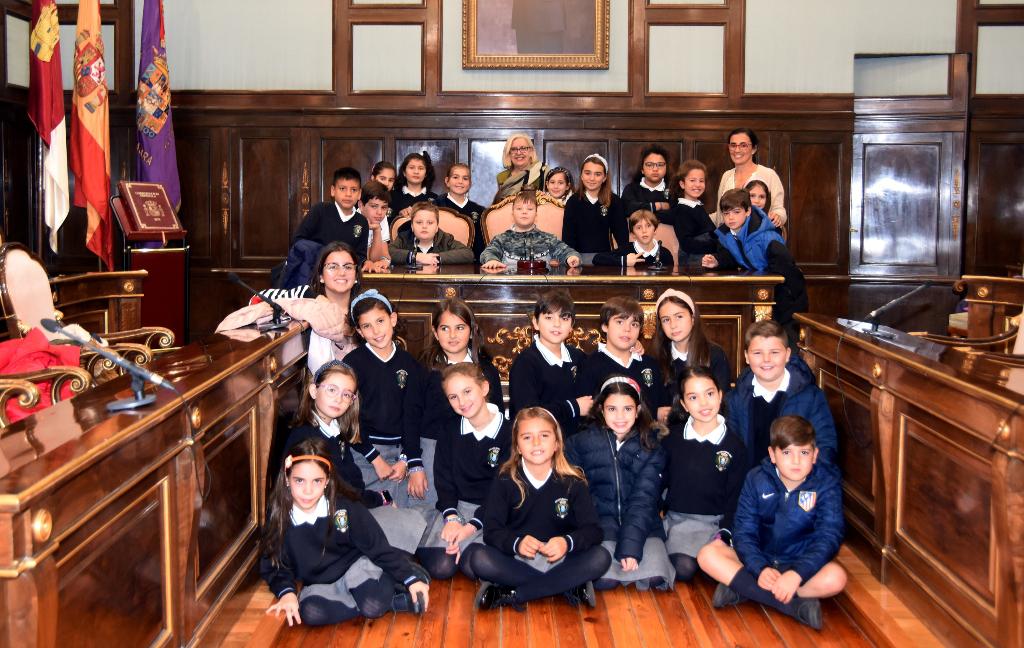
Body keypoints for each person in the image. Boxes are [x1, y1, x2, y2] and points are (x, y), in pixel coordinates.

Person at [259, 438, 430, 627]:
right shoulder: (279, 516)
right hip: (321, 583)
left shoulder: (345, 507)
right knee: (310, 613)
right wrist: (286, 592)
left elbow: (376, 545)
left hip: (355, 568)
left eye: (317, 481)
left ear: (327, 481)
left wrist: (409, 577)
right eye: (299, 480)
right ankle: (392, 601)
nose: (308, 490)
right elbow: (273, 565)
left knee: (373, 606)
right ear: (287, 479)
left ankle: (396, 577)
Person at [697, 415, 847, 630]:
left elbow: (829, 536)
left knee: (836, 578)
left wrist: (797, 573)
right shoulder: (756, 479)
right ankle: (795, 606)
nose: (796, 461)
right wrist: (760, 568)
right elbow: (744, 532)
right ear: (772, 454)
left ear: (815, 455)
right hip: (758, 559)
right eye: (787, 453)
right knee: (707, 555)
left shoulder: (826, 483)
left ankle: (743, 589)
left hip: (798, 561)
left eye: (804, 453)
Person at [463, 407, 611, 610]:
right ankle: (568, 586)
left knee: (601, 557)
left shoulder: (574, 481)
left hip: (562, 559)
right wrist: (516, 543)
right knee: (479, 559)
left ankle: (513, 593)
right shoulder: (505, 479)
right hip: (518, 560)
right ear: (517, 446)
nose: (536, 443)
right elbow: (492, 530)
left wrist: (566, 542)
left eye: (544, 435)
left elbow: (594, 531)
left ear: (557, 443)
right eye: (527, 437)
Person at [283, 361, 430, 548]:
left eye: (346, 394)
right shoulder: (308, 440)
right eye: (332, 390)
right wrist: (379, 499)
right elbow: (336, 492)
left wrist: (372, 499)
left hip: (348, 505)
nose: (338, 399)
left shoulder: (335, 430)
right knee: (403, 525)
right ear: (313, 390)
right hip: (323, 523)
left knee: (411, 520)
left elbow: (352, 480)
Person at [565, 377, 673, 590]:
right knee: (605, 580)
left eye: (627, 409)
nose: (620, 417)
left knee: (656, 578)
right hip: (601, 525)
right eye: (612, 409)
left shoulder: (651, 446)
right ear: (601, 410)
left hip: (644, 526)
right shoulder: (579, 443)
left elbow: (644, 500)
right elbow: (578, 496)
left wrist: (631, 548)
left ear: (638, 410)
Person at [416, 363, 512, 580]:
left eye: (467, 391)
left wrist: (470, 528)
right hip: (457, 508)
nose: (462, 402)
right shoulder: (449, 429)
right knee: (441, 567)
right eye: (453, 397)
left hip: (494, 512)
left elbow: (503, 490)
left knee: (473, 566)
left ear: (484, 388)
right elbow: (444, 480)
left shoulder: (509, 432)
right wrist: (451, 518)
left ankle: (471, 548)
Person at [661, 367, 747, 582]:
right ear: (684, 404)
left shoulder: (734, 445)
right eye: (693, 397)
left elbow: (736, 497)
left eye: (709, 394)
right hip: (680, 521)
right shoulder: (672, 439)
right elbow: (658, 484)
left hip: (715, 523)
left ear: (720, 395)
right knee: (684, 568)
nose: (704, 403)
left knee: (713, 571)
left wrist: (726, 532)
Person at [345, 290, 428, 509]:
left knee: (406, 507)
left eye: (380, 321)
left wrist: (406, 458)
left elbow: (412, 415)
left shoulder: (409, 364)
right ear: (359, 331)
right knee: (371, 509)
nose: (376, 331)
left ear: (393, 319)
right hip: (363, 451)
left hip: (400, 451)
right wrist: (375, 458)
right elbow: (349, 418)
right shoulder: (352, 364)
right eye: (367, 326)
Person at [418, 298, 505, 507]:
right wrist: (413, 463)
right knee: (435, 505)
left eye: (460, 327)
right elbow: (412, 415)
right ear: (435, 332)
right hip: (433, 446)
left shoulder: (486, 370)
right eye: (445, 328)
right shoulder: (424, 368)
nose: (453, 335)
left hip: (477, 445)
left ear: (472, 330)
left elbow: (498, 414)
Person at [725, 320, 838, 471]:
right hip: (751, 481)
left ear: (787, 354)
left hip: (797, 479)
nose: (766, 359)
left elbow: (825, 447)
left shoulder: (812, 397)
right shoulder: (735, 399)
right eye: (757, 353)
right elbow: (731, 448)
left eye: (774, 352)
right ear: (746, 356)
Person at [702, 188, 808, 336]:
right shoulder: (726, 234)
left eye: (736, 212)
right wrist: (717, 261)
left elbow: (787, 269)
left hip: (786, 293)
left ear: (748, 211)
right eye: (726, 213)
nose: (731, 218)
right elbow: (730, 257)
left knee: (785, 338)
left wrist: (794, 306)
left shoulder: (768, 237)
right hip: (759, 291)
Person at [509, 290, 590, 437]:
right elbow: (528, 414)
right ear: (535, 323)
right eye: (549, 317)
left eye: (564, 318)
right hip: (540, 441)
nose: (557, 324)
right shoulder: (526, 363)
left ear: (572, 325)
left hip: (576, 440)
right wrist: (573, 407)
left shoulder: (578, 357)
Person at [576, 295, 669, 421]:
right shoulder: (589, 365)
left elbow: (661, 409)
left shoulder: (650, 365)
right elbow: (585, 417)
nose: (627, 329)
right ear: (605, 326)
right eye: (620, 322)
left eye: (634, 324)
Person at [653, 289, 731, 413]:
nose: (673, 325)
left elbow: (722, 402)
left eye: (679, 316)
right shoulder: (656, 357)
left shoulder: (714, 354)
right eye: (666, 320)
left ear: (692, 318)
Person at [479, 189, 580, 271]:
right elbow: (488, 253)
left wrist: (571, 257)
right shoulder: (501, 239)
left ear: (536, 214)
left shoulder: (548, 238)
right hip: (511, 285)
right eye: (519, 209)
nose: (524, 212)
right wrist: (491, 260)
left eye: (530, 209)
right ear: (512, 213)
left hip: (541, 286)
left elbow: (566, 251)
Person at [292, 167, 370, 264]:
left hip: (345, 271)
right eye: (342, 189)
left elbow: (360, 256)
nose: (348, 194)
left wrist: (365, 262)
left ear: (359, 194)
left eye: (354, 190)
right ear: (333, 191)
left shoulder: (362, 222)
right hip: (315, 268)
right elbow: (298, 241)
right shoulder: (320, 211)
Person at [714, 128, 786, 227]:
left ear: (754, 149)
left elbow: (779, 209)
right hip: (728, 235)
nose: (737, 150)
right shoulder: (726, 176)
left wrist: (778, 216)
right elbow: (720, 213)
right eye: (733, 145)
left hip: (757, 234)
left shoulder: (769, 174)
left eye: (743, 145)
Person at [562, 154, 628, 261]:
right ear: (581, 175)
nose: (592, 178)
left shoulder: (614, 201)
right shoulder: (573, 202)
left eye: (598, 174)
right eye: (587, 173)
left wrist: (623, 260)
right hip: (578, 259)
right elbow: (568, 238)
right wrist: (570, 258)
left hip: (606, 259)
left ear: (604, 178)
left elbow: (622, 237)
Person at [387, 202, 474, 266]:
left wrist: (436, 258)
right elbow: (389, 252)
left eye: (430, 223)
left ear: (436, 227)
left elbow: (468, 254)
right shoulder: (404, 237)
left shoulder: (445, 238)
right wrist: (416, 257)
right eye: (419, 222)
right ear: (412, 227)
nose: (424, 226)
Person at [668, 160, 718, 266]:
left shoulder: (697, 206)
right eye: (692, 180)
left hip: (705, 256)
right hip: (692, 261)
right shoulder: (682, 210)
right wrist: (714, 245)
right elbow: (687, 244)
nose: (697, 184)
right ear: (682, 184)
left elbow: (710, 231)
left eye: (701, 181)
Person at [592, 209, 674, 268]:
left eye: (648, 226)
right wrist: (624, 261)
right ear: (633, 234)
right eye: (639, 227)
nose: (644, 231)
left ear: (655, 230)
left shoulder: (665, 254)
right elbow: (597, 258)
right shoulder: (626, 250)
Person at [436, 163, 487, 257]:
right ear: (447, 181)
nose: (460, 181)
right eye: (455, 177)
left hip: (472, 260)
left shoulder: (479, 210)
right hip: (441, 259)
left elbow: (481, 243)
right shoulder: (435, 206)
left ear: (470, 183)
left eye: (465, 178)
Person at [621, 145, 673, 224]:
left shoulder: (674, 190)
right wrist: (659, 206)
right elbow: (627, 209)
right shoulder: (631, 189)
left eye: (660, 165)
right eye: (649, 165)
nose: (655, 169)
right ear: (642, 169)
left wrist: (641, 211)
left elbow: (675, 215)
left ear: (666, 168)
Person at [493, 134, 546, 204]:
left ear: (531, 151)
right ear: (509, 153)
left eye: (523, 148)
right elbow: (499, 204)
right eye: (513, 149)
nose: (518, 153)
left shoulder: (543, 172)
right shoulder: (502, 177)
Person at [360, 180, 394, 273]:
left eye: (384, 207)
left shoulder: (382, 219)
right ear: (361, 205)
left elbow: (381, 257)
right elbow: (365, 258)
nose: (379, 212)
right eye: (374, 206)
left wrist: (377, 230)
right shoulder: (355, 220)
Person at [391, 152, 438, 218]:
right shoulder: (392, 196)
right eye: (411, 167)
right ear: (404, 172)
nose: (416, 172)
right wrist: (399, 216)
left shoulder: (435, 198)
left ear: (426, 174)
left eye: (420, 168)